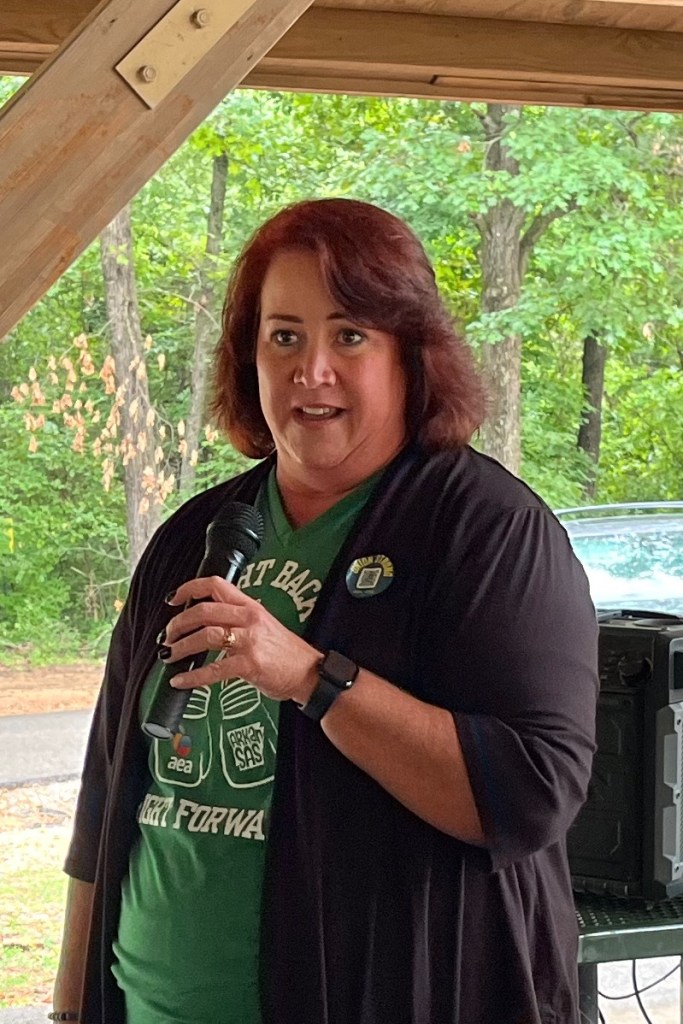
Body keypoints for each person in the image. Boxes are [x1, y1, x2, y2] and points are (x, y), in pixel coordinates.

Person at [53, 198, 598, 1024]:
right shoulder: (193, 537)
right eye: (284, 336)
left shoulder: (485, 530)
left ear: (409, 356)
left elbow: (530, 795)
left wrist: (311, 677)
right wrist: (68, 1008)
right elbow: (107, 799)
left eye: (349, 335)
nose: (312, 369)